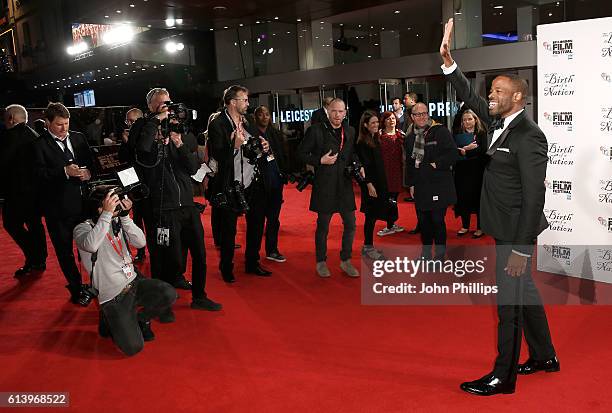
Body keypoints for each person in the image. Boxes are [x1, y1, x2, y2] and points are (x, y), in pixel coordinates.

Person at [441, 18, 558, 396]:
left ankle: (503, 376)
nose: (490, 95)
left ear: (519, 98)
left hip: (515, 233)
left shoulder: (529, 135)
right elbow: (469, 98)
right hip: (504, 226)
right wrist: (449, 62)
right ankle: (544, 356)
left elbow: (534, 195)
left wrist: (522, 248)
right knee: (525, 294)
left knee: (509, 305)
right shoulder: (498, 122)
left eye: (498, 91)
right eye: (491, 90)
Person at [130, 87, 221, 311]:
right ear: (151, 107)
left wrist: (178, 143)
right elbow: (141, 150)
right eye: (162, 104)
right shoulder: (143, 128)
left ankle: (199, 297)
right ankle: (163, 303)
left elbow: (192, 167)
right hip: (163, 207)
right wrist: (156, 122)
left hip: (188, 205)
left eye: (169, 103)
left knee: (200, 254)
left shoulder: (178, 129)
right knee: (167, 259)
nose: (168, 108)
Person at [74, 187, 176, 356]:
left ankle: (141, 319)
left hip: (134, 281)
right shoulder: (82, 228)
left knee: (168, 293)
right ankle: (108, 318)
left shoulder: (117, 222)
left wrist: (125, 217)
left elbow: (141, 242)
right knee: (133, 347)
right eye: (110, 204)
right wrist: (106, 215)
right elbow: (91, 245)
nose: (115, 208)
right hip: (113, 295)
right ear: (98, 208)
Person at [207, 85, 273, 283]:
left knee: (256, 224)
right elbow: (217, 154)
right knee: (229, 230)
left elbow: (255, 146)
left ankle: (252, 262)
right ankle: (227, 267)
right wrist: (232, 146)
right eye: (244, 100)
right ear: (232, 102)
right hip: (229, 183)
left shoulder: (247, 122)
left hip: (253, 181)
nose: (247, 103)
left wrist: (264, 147)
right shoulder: (218, 124)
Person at [33, 102, 94, 305]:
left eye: (66, 123)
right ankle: (76, 289)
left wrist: (89, 173)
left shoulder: (78, 137)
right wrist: (64, 172)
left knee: (90, 247)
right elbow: (37, 176)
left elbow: (92, 163)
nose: (64, 128)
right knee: (65, 252)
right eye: (59, 124)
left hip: (84, 205)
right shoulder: (38, 145)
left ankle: (97, 283)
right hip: (57, 210)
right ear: (48, 122)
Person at [297, 98, 360, 278]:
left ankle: (345, 260)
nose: (337, 115)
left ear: (345, 113)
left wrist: (357, 163)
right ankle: (321, 261)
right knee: (323, 226)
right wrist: (319, 160)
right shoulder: (315, 131)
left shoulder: (350, 130)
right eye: (334, 111)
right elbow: (300, 153)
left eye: (341, 112)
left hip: (344, 185)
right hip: (324, 185)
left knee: (351, 224)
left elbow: (351, 153)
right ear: (327, 111)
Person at [405, 102, 457, 260]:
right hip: (420, 186)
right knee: (424, 222)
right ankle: (426, 254)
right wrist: (411, 184)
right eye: (417, 114)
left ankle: (440, 256)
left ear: (428, 114)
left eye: (424, 113)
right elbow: (409, 163)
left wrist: (436, 164)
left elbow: (453, 154)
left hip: (438, 185)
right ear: (412, 117)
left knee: (437, 221)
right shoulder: (410, 138)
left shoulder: (440, 131)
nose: (421, 117)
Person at [0, 105, 47, 277]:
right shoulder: (35, 136)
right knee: (35, 225)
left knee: (11, 224)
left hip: (16, 193)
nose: (5, 123)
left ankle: (34, 256)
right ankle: (39, 260)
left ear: (11, 118)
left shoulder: (8, 137)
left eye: (5, 119)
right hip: (36, 193)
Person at [252, 105, 289, 263]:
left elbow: (283, 155)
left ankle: (272, 250)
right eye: (261, 114)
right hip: (258, 183)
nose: (265, 117)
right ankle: (253, 255)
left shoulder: (275, 134)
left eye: (267, 114)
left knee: (274, 219)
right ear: (256, 117)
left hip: (275, 180)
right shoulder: (251, 135)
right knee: (257, 220)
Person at [355, 110, 388, 260]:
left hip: (378, 183)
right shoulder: (362, 143)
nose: (376, 125)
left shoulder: (375, 138)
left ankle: (368, 246)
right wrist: (369, 184)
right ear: (366, 125)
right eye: (373, 123)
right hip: (371, 184)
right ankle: (368, 247)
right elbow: (365, 167)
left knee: (373, 215)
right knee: (371, 216)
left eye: (377, 122)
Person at [454, 109, 487, 238]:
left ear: (475, 120)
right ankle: (465, 225)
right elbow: (453, 150)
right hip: (462, 170)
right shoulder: (457, 133)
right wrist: (467, 150)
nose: (467, 122)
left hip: (478, 171)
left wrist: (466, 152)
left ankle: (480, 227)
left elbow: (483, 151)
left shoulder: (481, 134)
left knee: (478, 199)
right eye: (464, 120)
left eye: (469, 119)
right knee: (463, 198)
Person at [119, 107, 146, 262]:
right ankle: (140, 251)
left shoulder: (146, 136)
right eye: (127, 120)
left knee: (146, 216)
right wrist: (126, 143)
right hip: (130, 180)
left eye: (131, 121)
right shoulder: (125, 136)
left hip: (146, 183)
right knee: (135, 217)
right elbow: (122, 158)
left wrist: (130, 143)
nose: (128, 124)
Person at [375, 111, 404, 237]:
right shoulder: (379, 136)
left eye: (393, 118)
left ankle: (391, 224)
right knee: (387, 198)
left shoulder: (401, 135)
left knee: (394, 198)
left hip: (397, 170)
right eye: (388, 119)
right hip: (384, 171)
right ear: (384, 121)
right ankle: (390, 223)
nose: (391, 120)